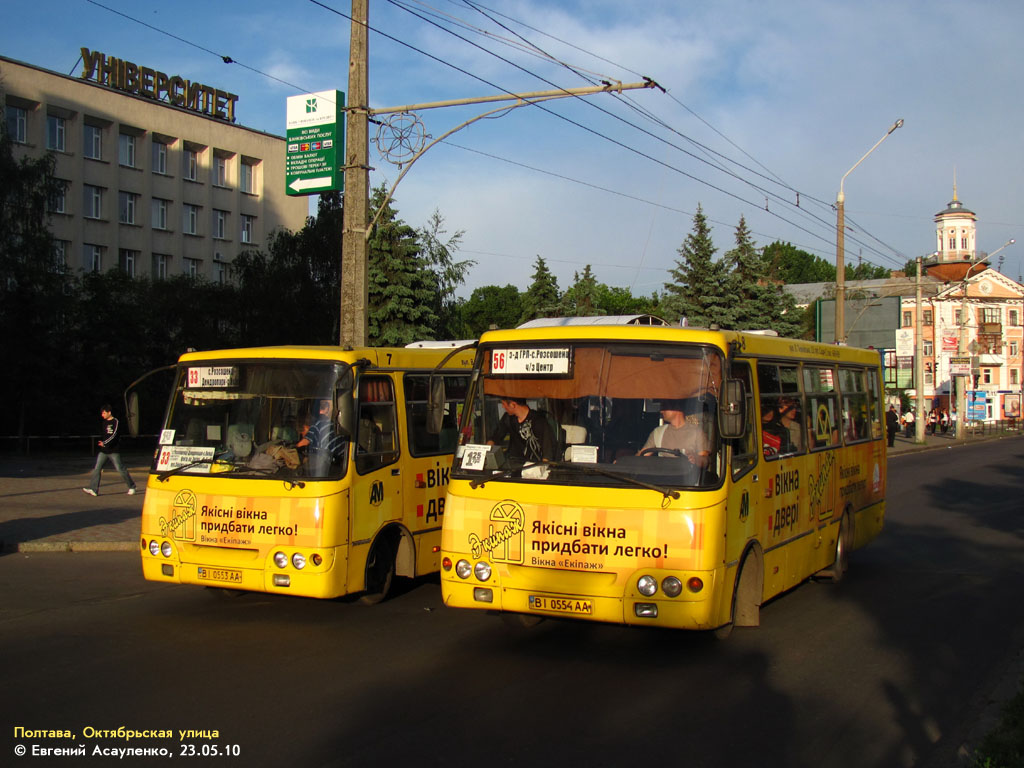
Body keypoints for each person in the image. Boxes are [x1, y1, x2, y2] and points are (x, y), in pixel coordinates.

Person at [83, 404, 137, 496]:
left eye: (104, 413)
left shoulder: (115, 422)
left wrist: (105, 443)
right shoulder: (104, 423)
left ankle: (132, 487)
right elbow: (104, 435)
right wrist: (102, 443)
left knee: (120, 469)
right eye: (102, 413)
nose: (102, 415)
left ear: (109, 412)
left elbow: (114, 435)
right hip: (103, 451)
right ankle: (94, 489)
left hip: (113, 450)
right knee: (97, 468)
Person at [639, 399, 710, 467]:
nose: (661, 411)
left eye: (664, 406)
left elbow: (705, 460)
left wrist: (696, 459)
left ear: (676, 407)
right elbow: (642, 456)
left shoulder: (696, 432)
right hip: (662, 476)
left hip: (686, 477)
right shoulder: (658, 432)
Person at [488, 397, 556, 464]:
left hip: (533, 467)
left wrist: (542, 469)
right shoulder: (508, 418)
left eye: (503, 403)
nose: (502, 407)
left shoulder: (538, 421)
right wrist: (486, 450)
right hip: (512, 465)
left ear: (513, 405)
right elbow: (495, 437)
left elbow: (547, 452)